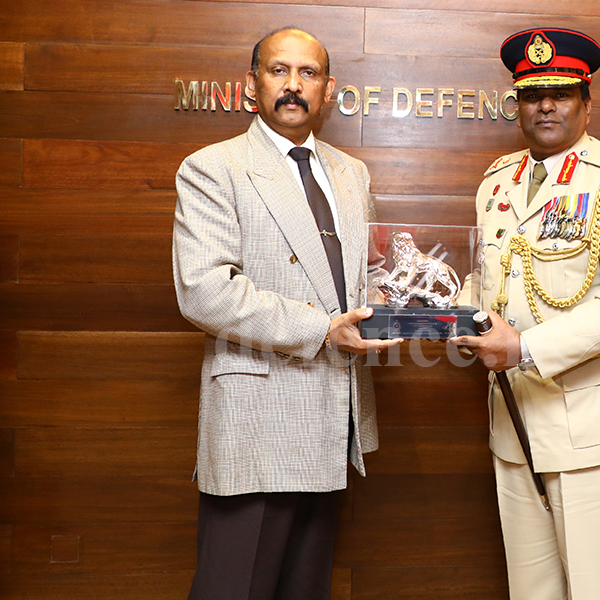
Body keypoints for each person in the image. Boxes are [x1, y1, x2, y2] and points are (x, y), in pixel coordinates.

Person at [450, 28, 600, 600]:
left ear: (585, 100)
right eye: (532, 94)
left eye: (561, 92)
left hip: (593, 428)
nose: (546, 105)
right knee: (531, 590)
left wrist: (523, 349)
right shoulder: (496, 183)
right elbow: (489, 279)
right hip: (514, 419)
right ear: (518, 103)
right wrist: (453, 317)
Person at [172, 27, 400, 600]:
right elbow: (205, 290)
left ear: (327, 90)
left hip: (333, 416)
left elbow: (361, 282)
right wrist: (321, 328)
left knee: (305, 589)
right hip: (257, 419)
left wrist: (425, 301)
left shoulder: (352, 174)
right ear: (253, 84)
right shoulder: (213, 167)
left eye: (308, 73)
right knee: (234, 589)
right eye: (279, 71)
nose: (293, 86)